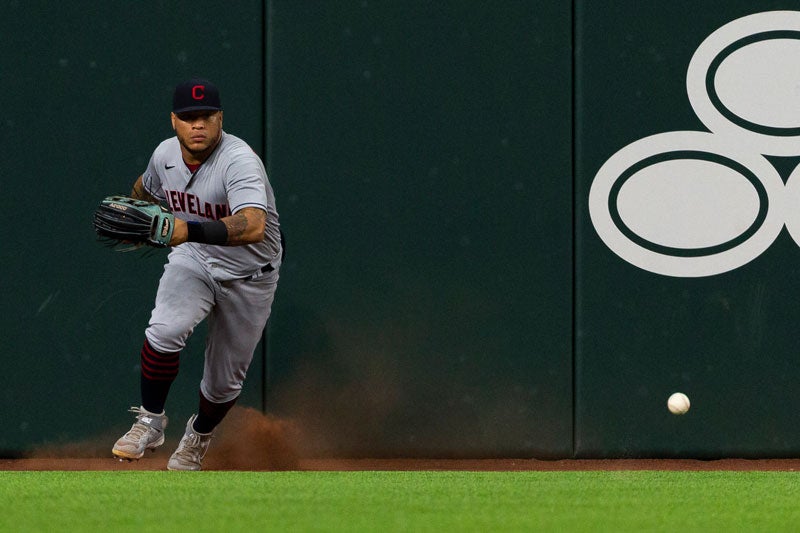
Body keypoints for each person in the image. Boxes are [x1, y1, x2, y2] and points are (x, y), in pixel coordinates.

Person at [111, 78, 282, 471]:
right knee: (165, 330)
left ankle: (198, 436)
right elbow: (146, 188)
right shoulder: (164, 155)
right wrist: (136, 215)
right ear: (174, 121)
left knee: (223, 384)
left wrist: (186, 229)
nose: (198, 125)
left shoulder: (239, 160)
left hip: (251, 273)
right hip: (196, 259)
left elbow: (253, 225)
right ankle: (149, 422)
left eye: (206, 116)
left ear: (220, 118)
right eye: (189, 117)